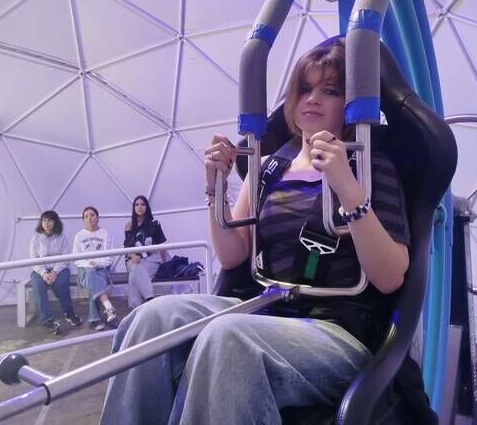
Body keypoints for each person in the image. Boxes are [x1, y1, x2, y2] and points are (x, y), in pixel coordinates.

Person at [99, 38, 411, 424]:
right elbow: (233, 255)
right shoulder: (269, 167)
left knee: (228, 338)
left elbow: (390, 276)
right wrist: (216, 186)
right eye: (304, 89)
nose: (313, 99)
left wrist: (346, 186)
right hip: (269, 309)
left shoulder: (369, 167)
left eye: (329, 91)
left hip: (337, 328)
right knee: (151, 318)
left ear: (348, 103)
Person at [29, 210, 82, 335]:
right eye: (44, 220)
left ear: (55, 222)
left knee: (61, 285)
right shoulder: (35, 238)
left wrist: (54, 272)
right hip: (40, 270)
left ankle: (69, 314)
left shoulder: (62, 237)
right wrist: (44, 273)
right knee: (38, 286)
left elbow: (65, 258)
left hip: (59, 268)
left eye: (50, 220)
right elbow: (33, 260)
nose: (47, 223)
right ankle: (48, 321)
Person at [73, 206, 118, 331]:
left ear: (98, 218)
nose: (89, 218)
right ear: (83, 220)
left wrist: (98, 263)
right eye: (86, 216)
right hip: (85, 271)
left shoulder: (105, 233)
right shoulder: (79, 236)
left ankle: (95, 320)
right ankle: (108, 307)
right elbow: (76, 259)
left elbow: (110, 257)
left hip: (102, 270)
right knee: (90, 274)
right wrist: (90, 264)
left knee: (92, 277)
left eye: (92, 215)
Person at [123, 195, 167, 309]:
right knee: (135, 266)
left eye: (142, 204)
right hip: (132, 259)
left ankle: (135, 310)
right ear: (133, 208)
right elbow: (127, 246)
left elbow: (161, 245)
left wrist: (164, 264)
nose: (140, 207)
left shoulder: (155, 224)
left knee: (133, 277)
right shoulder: (129, 226)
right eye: (137, 205)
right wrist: (133, 256)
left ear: (147, 207)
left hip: (151, 259)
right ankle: (149, 299)